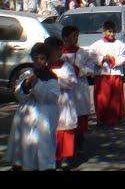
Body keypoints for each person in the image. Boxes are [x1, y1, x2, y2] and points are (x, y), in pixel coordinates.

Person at [7, 43, 60, 171]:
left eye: (42, 58)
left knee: (41, 144)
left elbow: (50, 98)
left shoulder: (51, 78)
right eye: (35, 58)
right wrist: (26, 85)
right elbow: (19, 95)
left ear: (46, 60)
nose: (38, 62)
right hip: (26, 114)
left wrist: (37, 84)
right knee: (25, 143)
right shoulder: (27, 74)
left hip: (43, 115)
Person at [44, 36, 78, 170]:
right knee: (51, 131)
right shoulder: (44, 67)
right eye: (54, 50)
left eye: (60, 49)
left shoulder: (66, 66)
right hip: (49, 104)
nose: (58, 53)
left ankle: (65, 157)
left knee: (65, 131)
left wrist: (55, 79)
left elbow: (71, 82)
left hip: (64, 103)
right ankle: (53, 158)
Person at [61, 25, 95, 157]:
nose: (76, 39)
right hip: (64, 90)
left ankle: (79, 142)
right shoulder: (59, 53)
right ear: (65, 37)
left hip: (79, 89)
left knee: (79, 117)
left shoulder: (82, 53)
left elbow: (91, 69)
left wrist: (79, 70)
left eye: (77, 36)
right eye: (73, 36)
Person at [88, 21, 125, 126]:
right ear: (104, 32)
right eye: (109, 32)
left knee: (115, 96)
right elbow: (91, 56)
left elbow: (123, 58)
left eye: (114, 32)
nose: (112, 34)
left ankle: (115, 117)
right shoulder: (96, 45)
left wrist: (114, 60)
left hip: (115, 73)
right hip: (102, 74)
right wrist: (102, 58)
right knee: (102, 97)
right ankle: (102, 118)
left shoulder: (120, 45)